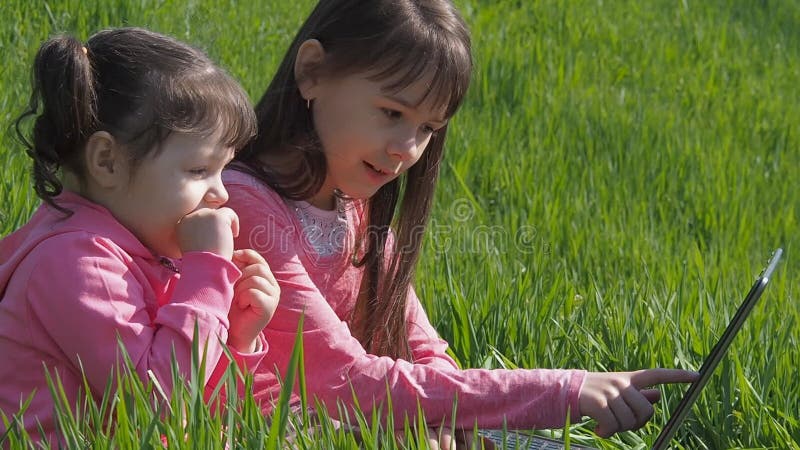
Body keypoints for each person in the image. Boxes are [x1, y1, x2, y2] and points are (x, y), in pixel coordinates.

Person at [225, 0, 698, 447]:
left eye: (428, 128)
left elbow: (424, 348)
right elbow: (349, 380)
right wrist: (564, 392)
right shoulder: (246, 207)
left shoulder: (355, 205)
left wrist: (445, 421)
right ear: (312, 72)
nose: (406, 149)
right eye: (392, 112)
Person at [0, 28, 279, 443]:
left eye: (224, 169)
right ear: (107, 161)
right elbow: (159, 409)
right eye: (199, 170)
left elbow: (202, 422)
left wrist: (238, 335)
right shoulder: (76, 264)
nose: (221, 193)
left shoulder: (138, 252)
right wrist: (206, 276)